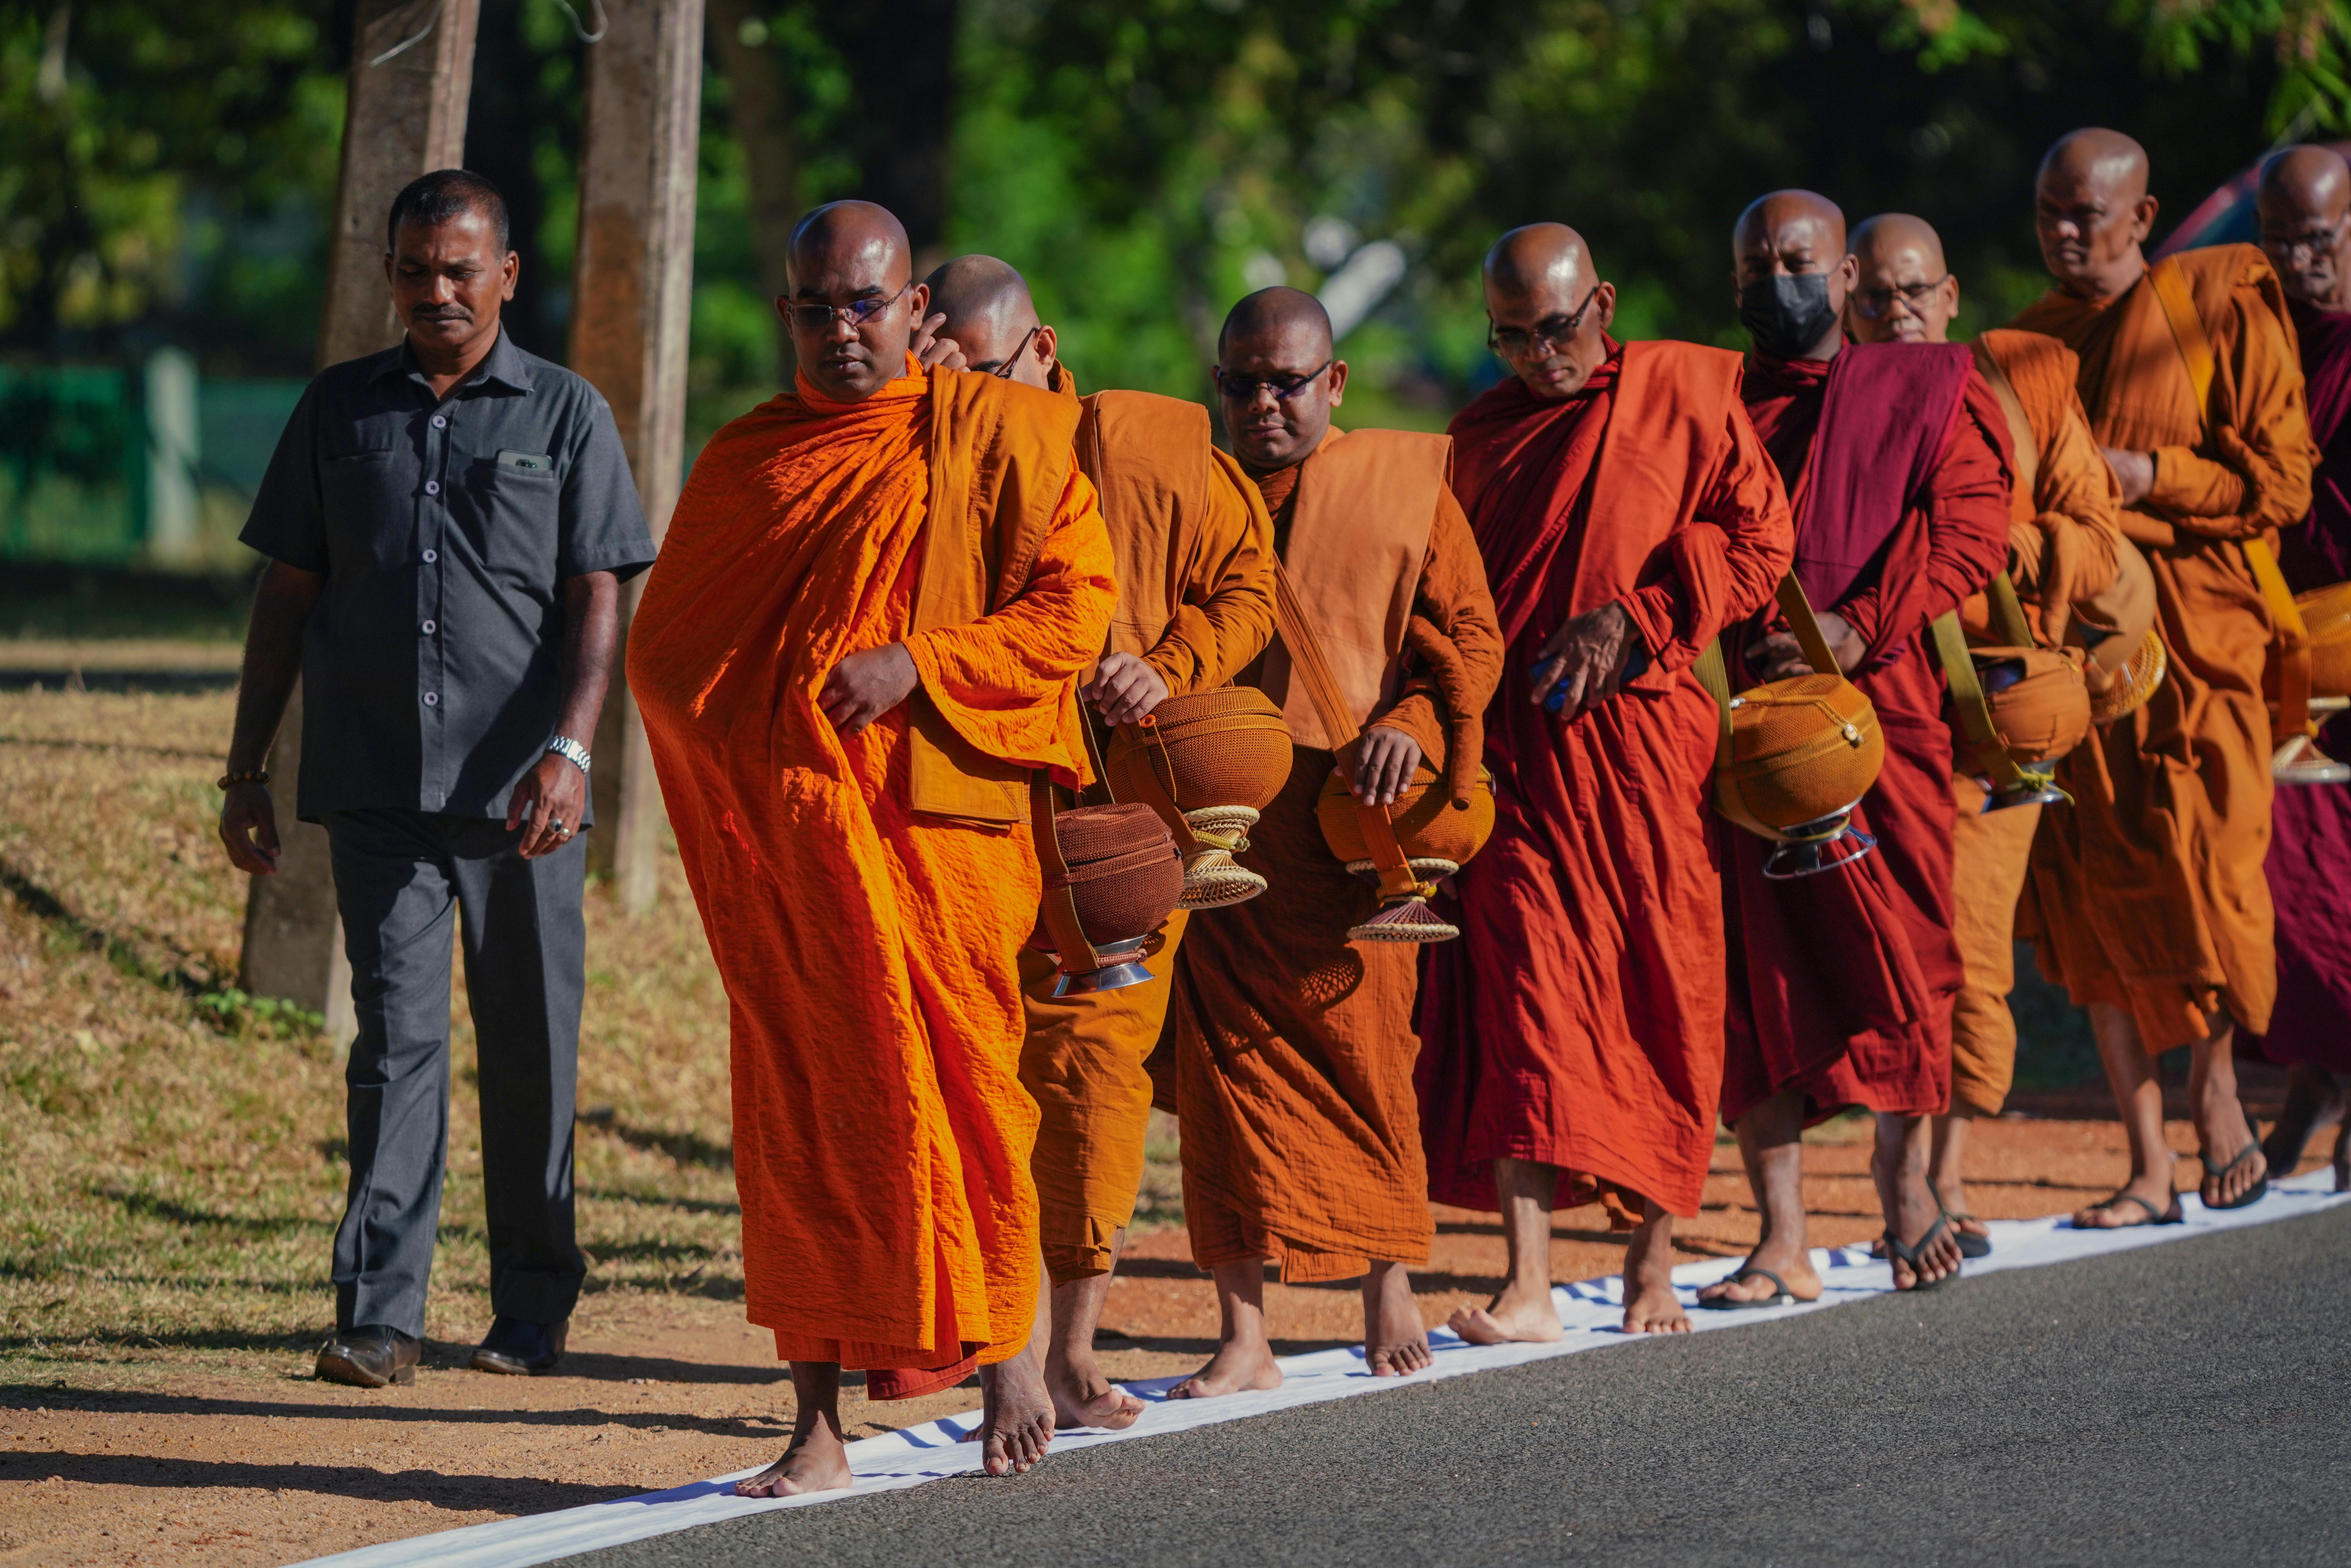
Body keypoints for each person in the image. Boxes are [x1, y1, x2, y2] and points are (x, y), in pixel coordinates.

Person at [627, 202, 1116, 1492]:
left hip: (938, 841)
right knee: (800, 1117)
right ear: (784, 314)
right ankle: (818, 1427)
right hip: (794, 856)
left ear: (916, 312)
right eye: (816, 307)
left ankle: (1006, 1344)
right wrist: (755, 772)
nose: (843, 330)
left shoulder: (1002, 435)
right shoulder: (750, 460)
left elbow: (1075, 610)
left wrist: (924, 662)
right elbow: (669, 653)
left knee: (966, 1093)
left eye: (867, 304)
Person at [218, 169, 655, 1388]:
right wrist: (245, 764)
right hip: (375, 787)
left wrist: (571, 751)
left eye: (461, 269)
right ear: (390, 275)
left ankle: (530, 1305)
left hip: (522, 795)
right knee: (396, 1047)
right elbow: (286, 593)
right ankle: (379, 1316)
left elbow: (595, 597)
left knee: (528, 1044)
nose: (437, 291)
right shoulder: (337, 411)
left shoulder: (567, 415)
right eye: (414, 269)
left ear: (507, 275)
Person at [919, 253, 1279, 1429]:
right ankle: (972, 1334)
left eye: (983, 374)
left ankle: (1062, 1355)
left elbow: (1247, 586)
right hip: (961, 812)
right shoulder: (910, 461)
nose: (964, 399)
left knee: (1086, 1079)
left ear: (1041, 351)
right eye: (944, 377)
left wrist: (1163, 665)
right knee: (968, 1077)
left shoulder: (1153, 451)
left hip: (1110, 832)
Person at [1416, 224, 1793, 1340]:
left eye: (1561, 329)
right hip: (1524, 763)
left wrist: (1641, 618)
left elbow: (1761, 540)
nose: (1542, 356)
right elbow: (1443, 598)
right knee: (1525, 991)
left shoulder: (1681, 392)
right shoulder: (1478, 439)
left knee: (1659, 991)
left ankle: (1652, 1265)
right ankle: (1528, 1283)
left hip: (1645, 756)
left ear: (1605, 304)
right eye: (1514, 338)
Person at [1165, 286, 1502, 1397]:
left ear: (1336, 384)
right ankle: (1244, 1331)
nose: (1264, 403)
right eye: (1242, 383)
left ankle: (1386, 1282)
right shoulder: (1188, 488)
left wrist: (1412, 725)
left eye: (1288, 383)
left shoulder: (1405, 482)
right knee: (1224, 1073)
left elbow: (1470, 637)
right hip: (1220, 818)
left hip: (1351, 818)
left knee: (1371, 1051)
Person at [1702, 190, 2011, 1302]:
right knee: (1760, 972)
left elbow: (1973, 529)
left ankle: (1904, 1186)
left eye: (1797, 261)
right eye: (1754, 266)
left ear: (1845, 280)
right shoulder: (1709, 401)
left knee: (1911, 948)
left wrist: (1855, 624)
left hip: (1887, 711)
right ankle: (1780, 1236)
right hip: (1749, 726)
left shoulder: (1923, 387)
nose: (1774, 282)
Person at [2011, 129, 2314, 1225]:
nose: (2063, 232)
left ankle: (2218, 1091)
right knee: (2092, 889)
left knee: (2205, 867)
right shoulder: (2031, 343)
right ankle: (2145, 1164)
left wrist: (2149, 475)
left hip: (2202, 645)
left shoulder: (2219, 303)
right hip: (2083, 651)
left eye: (2087, 215)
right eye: (2050, 210)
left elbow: (2278, 484)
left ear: (2143, 219)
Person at [1840, 213, 2126, 1248]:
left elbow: (2097, 540)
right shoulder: (1832, 407)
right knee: (1897, 954)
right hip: (1874, 717)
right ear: (1847, 304)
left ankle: (1944, 1174)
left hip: (1997, 718)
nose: (1898, 311)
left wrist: (1987, 537)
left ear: (1952, 297)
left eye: (1915, 293)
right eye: (1875, 297)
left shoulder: (2026, 384)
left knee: (1969, 947)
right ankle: (1901, 1162)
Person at [2246, 145, 2351, 1190]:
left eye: (2316, 240)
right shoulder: (2259, 340)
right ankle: (2321, 1074)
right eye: (2277, 241)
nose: (2296, 262)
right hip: (2281, 639)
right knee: (2290, 868)